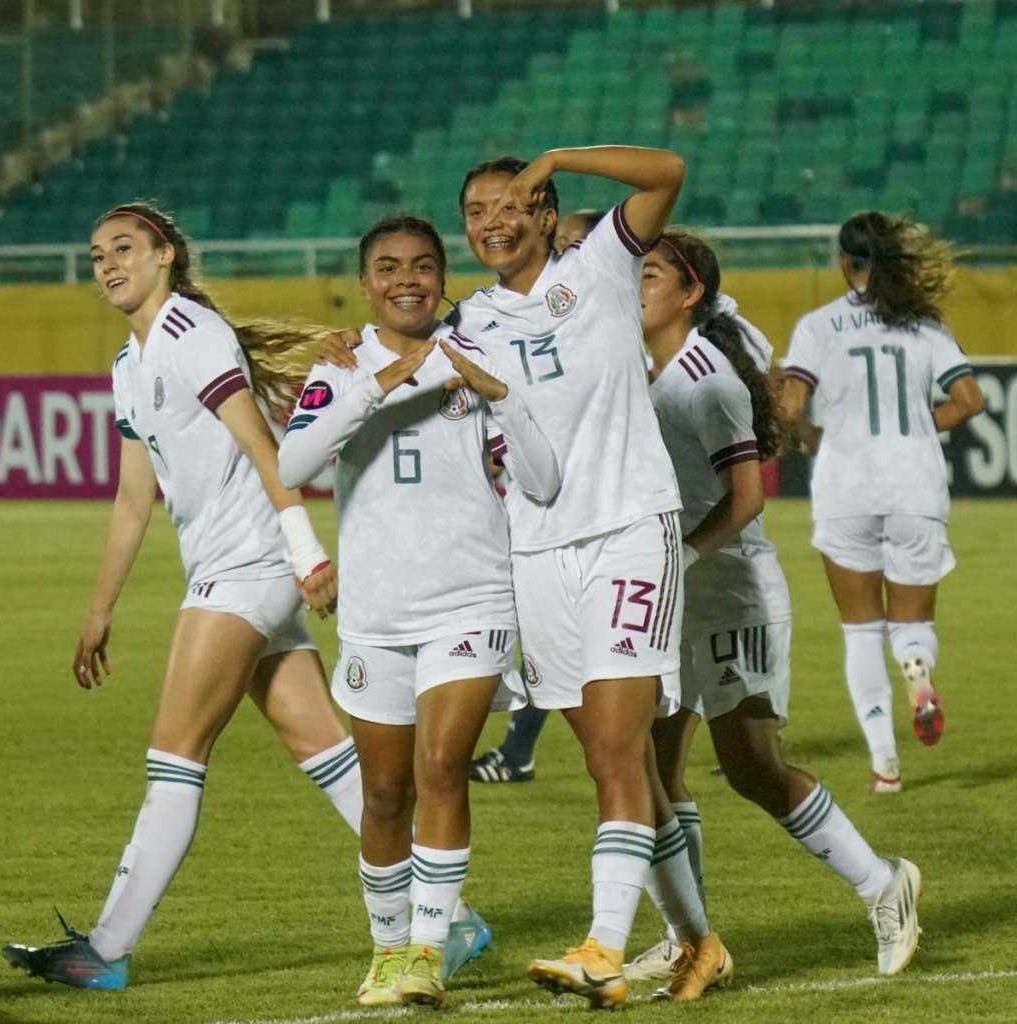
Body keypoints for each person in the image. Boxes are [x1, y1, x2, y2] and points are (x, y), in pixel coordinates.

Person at [320, 148, 723, 1008]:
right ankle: (698, 940)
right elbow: (387, 363)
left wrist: (557, 158)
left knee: (619, 749)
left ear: (546, 213)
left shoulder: (605, 265)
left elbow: (666, 172)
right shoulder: (465, 327)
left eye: (512, 204)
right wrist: (344, 349)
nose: (492, 221)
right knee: (608, 761)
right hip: (536, 553)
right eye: (475, 211)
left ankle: (605, 947)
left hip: (627, 528)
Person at [1, 203, 364, 991]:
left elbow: (261, 444)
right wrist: (101, 609)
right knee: (327, 753)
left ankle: (105, 949)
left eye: (124, 248)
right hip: (240, 570)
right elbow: (135, 499)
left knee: (174, 758)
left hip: (246, 568)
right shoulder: (130, 367)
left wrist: (305, 550)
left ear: (166, 255)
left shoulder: (188, 333)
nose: (107, 265)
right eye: (98, 254)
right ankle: (447, 911)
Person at [625, 228, 923, 990]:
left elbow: (749, 497)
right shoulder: (634, 366)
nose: (634, 284)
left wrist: (679, 556)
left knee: (751, 768)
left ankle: (881, 880)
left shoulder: (706, 377)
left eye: (651, 274)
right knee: (648, 767)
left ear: (690, 292)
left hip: (729, 590)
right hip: (668, 592)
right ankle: (687, 935)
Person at [278, 215, 560, 1008]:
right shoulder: (339, 369)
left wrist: (499, 394)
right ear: (365, 283)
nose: (408, 278)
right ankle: (387, 950)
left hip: (471, 599)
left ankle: (427, 954)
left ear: (442, 277)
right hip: (376, 615)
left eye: (425, 266)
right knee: (383, 794)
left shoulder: (479, 352)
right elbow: (293, 463)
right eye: (389, 267)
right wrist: (382, 380)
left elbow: (539, 481)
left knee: (442, 770)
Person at [781, 211, 984, 792]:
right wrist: (920, 423)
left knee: (861, 632)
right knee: (912, 623)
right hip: (914, 483)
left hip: (845, 486)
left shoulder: (819, 325)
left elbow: (794, 407)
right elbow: (968, 400)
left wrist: (807, 439)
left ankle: (884, 764)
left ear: (845, 262)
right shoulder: (925, 326)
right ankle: (916, 668)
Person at [470, 207, 604, 786]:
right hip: (541, 522)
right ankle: (519, 748)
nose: (565, 259)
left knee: (626, 714)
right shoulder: (495, 319)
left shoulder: (616, 325)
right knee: (556, 660)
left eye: (579, 248)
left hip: (615, 525)